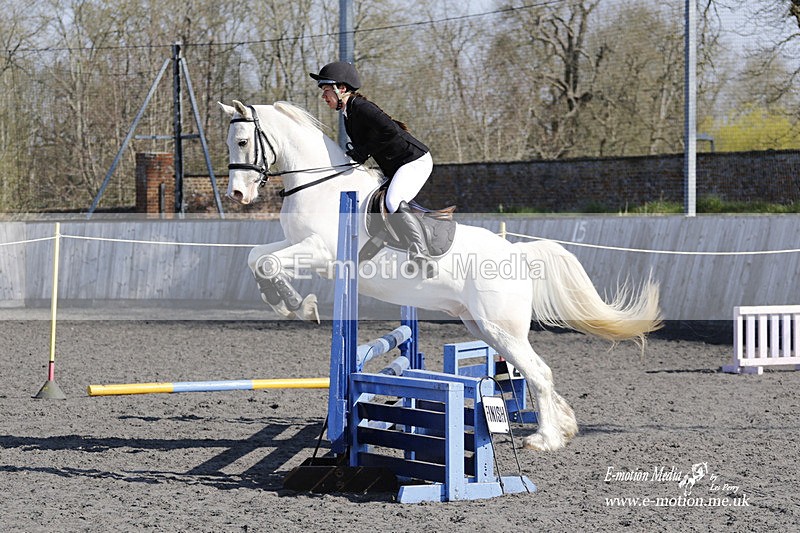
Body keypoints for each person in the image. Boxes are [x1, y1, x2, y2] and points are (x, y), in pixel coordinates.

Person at [310, 61, 434, 269]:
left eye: (326, 91)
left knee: (393, 201)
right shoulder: (349, 114)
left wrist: (363, 151)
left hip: (414, 161)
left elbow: (391, 131)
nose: (324, 97)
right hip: (395, 167)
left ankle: (421, 252)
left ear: (342, 89)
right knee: (374, 204)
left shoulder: (361, 107)